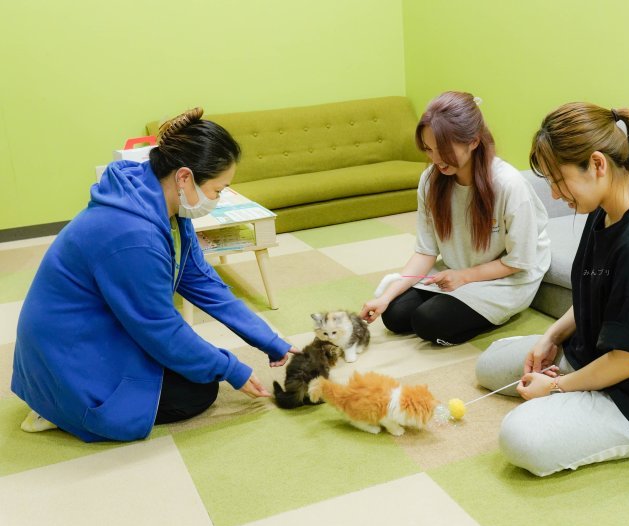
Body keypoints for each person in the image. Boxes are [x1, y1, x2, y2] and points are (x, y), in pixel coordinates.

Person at [12, 108, 298, 442]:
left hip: (97, 328)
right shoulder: (134, 236)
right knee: (198, 391)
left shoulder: (159, 200)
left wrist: (270, 340)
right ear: (184, 177)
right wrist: (232, 368)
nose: (218, 199)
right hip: (69, 351)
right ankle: (57, 406)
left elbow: (203, 281)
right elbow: (161, 328)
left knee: (195, 370)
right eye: (218, 190)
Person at [476, 102, 629, 476]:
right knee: (490, 366)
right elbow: (598, 292)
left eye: (558, 180)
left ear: (597, 164)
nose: (554, 194)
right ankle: (578, 385)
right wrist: (551, 336)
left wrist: (556, 389)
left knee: (519, 436)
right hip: (600, 349)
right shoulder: (605, 210)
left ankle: (582, 394)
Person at [360, 91, 550, 345]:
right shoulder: (431, 180)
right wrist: (385, 296)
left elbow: (519, 260)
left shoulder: (509, 185)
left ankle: (483, 313)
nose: (436, 159)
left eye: (444, 149)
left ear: (473, 141)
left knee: (428, 322)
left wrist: (465, 276)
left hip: (506, 277)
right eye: (428, 149)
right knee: (394, 315)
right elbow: (426, 252)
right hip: (456, 271)